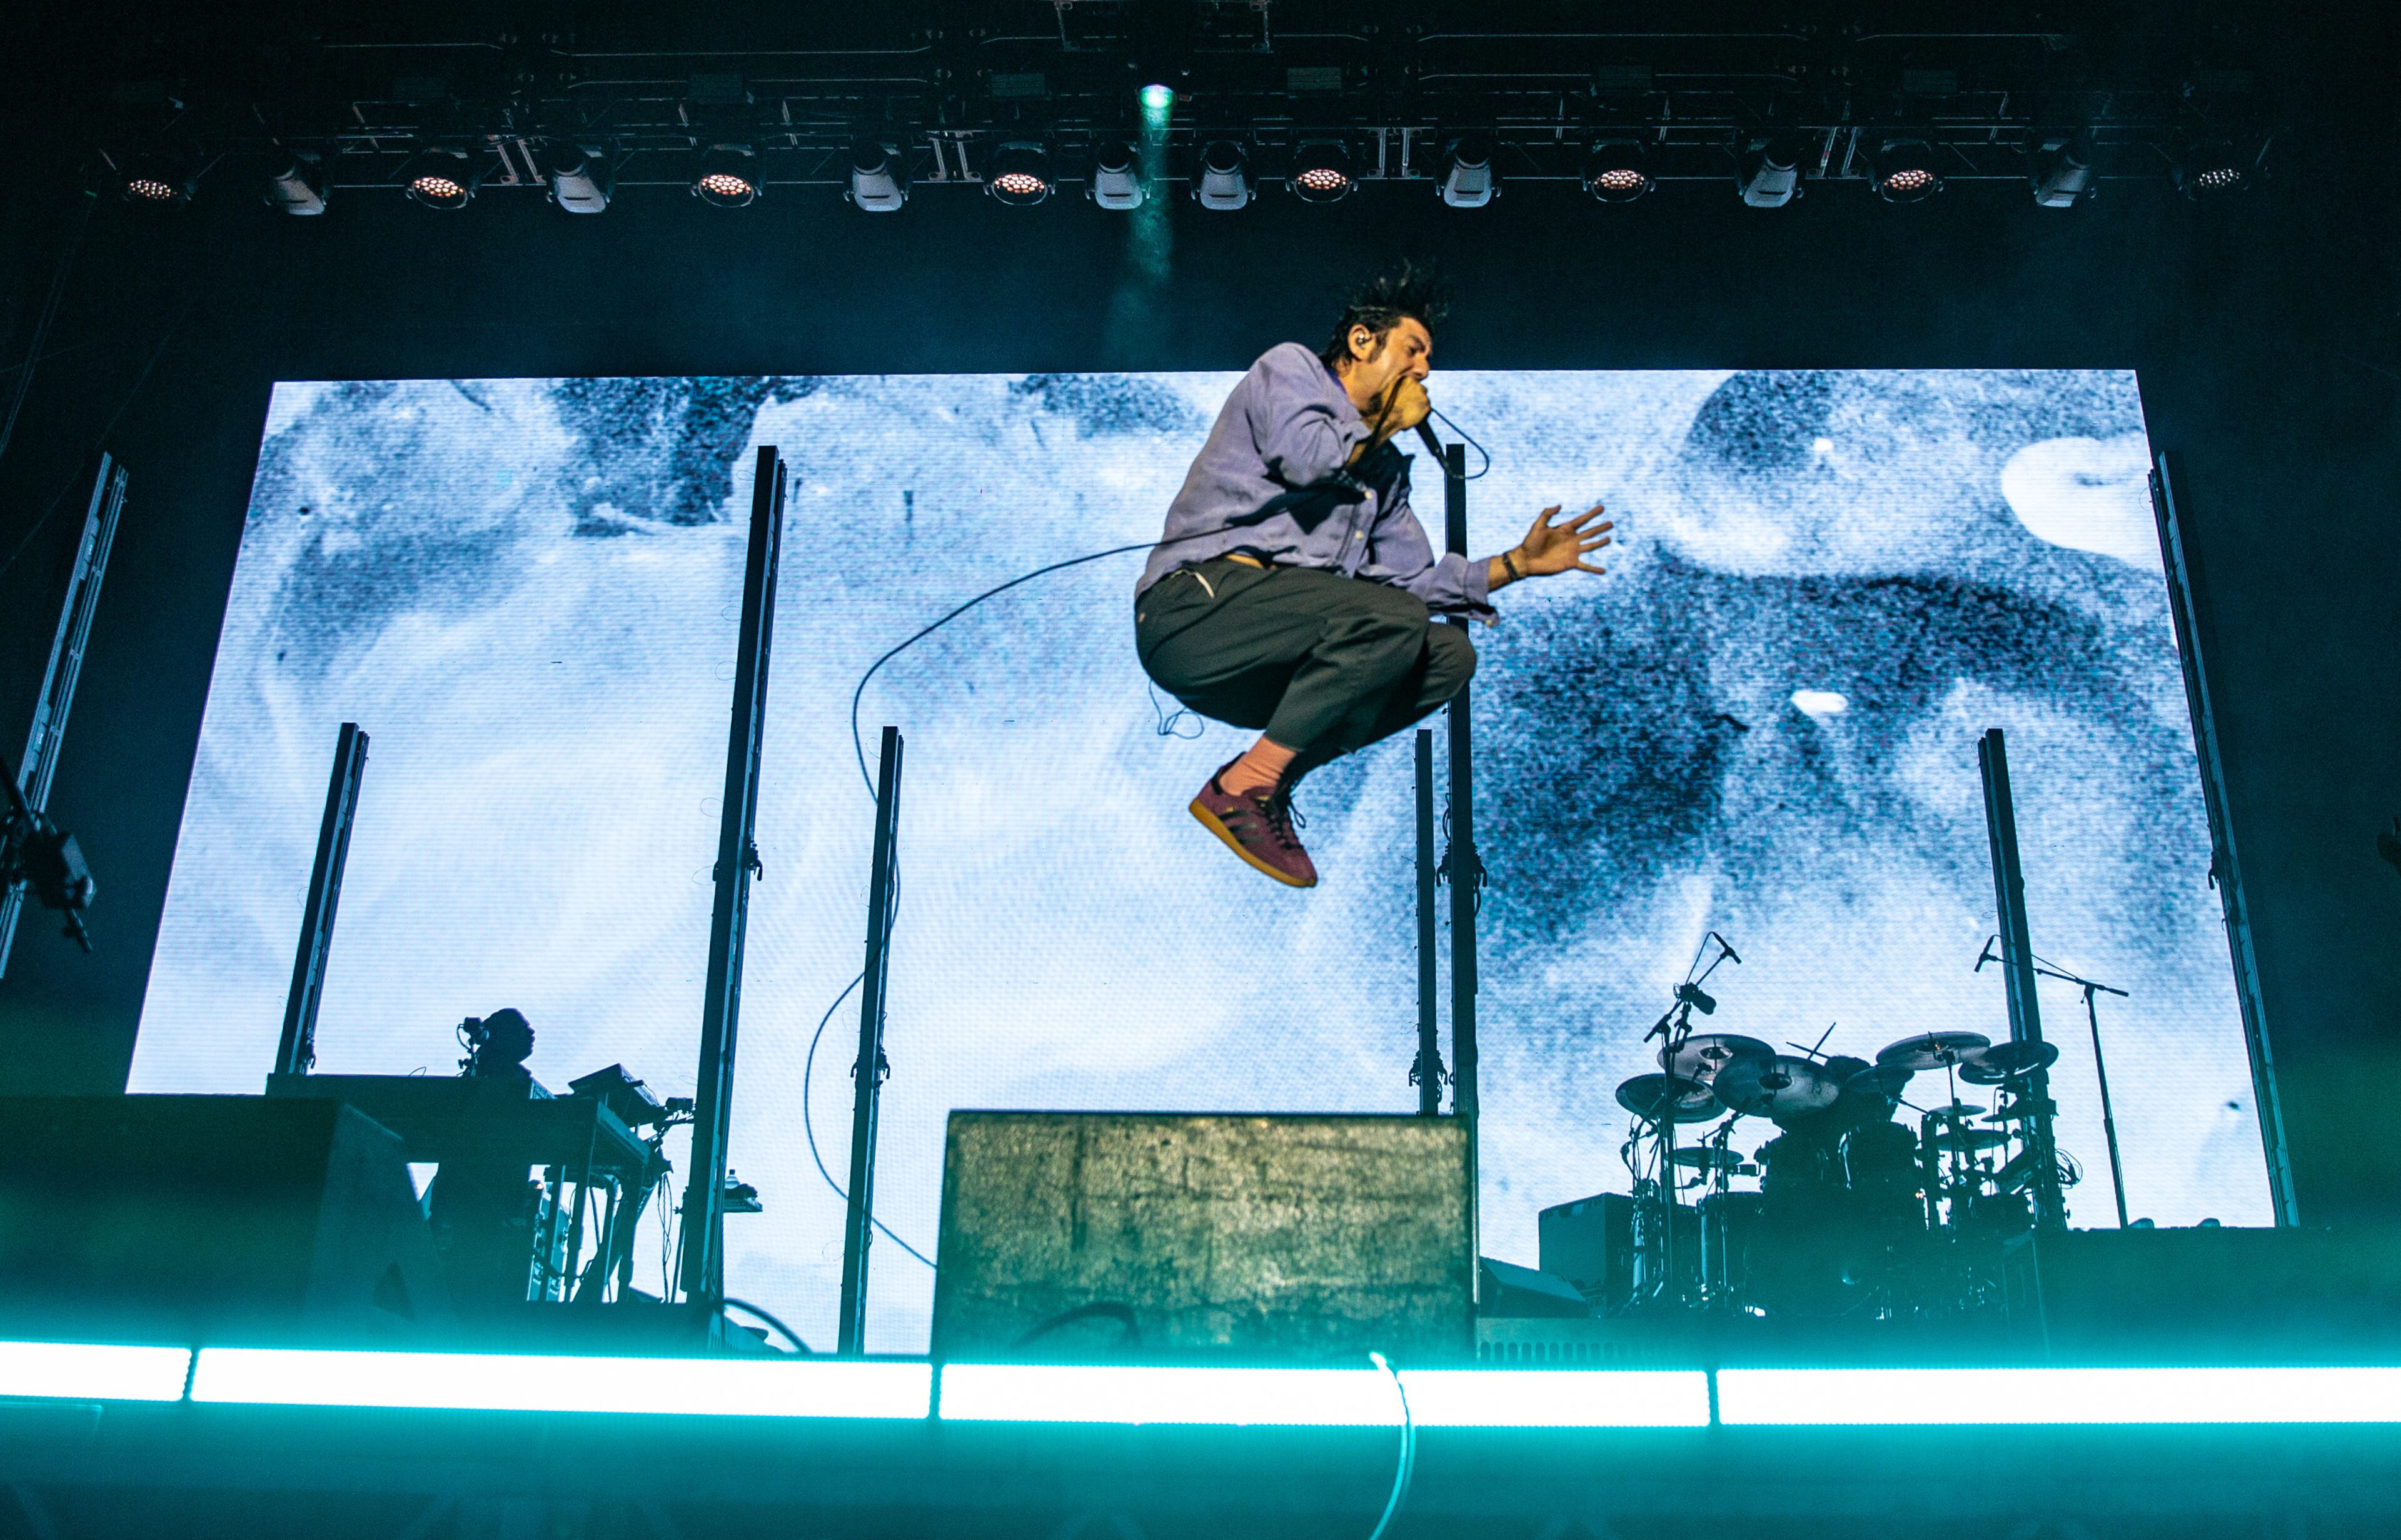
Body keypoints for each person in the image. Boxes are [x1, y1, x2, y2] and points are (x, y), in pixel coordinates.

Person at [1134, 266, 1613, 887]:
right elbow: (1307, 461)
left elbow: (1409, 586)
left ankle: (1268, 776)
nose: (1425, 371)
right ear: (1363, 342)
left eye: (1429, 358)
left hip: (1265, 669)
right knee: (1386, 619)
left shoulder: (1380, 472)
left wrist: (1516, 565)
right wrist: (1387, 424)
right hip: (1195, 616)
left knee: (1447, 655)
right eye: (1414, 350)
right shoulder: (1292, 371)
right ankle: (1246, 785)